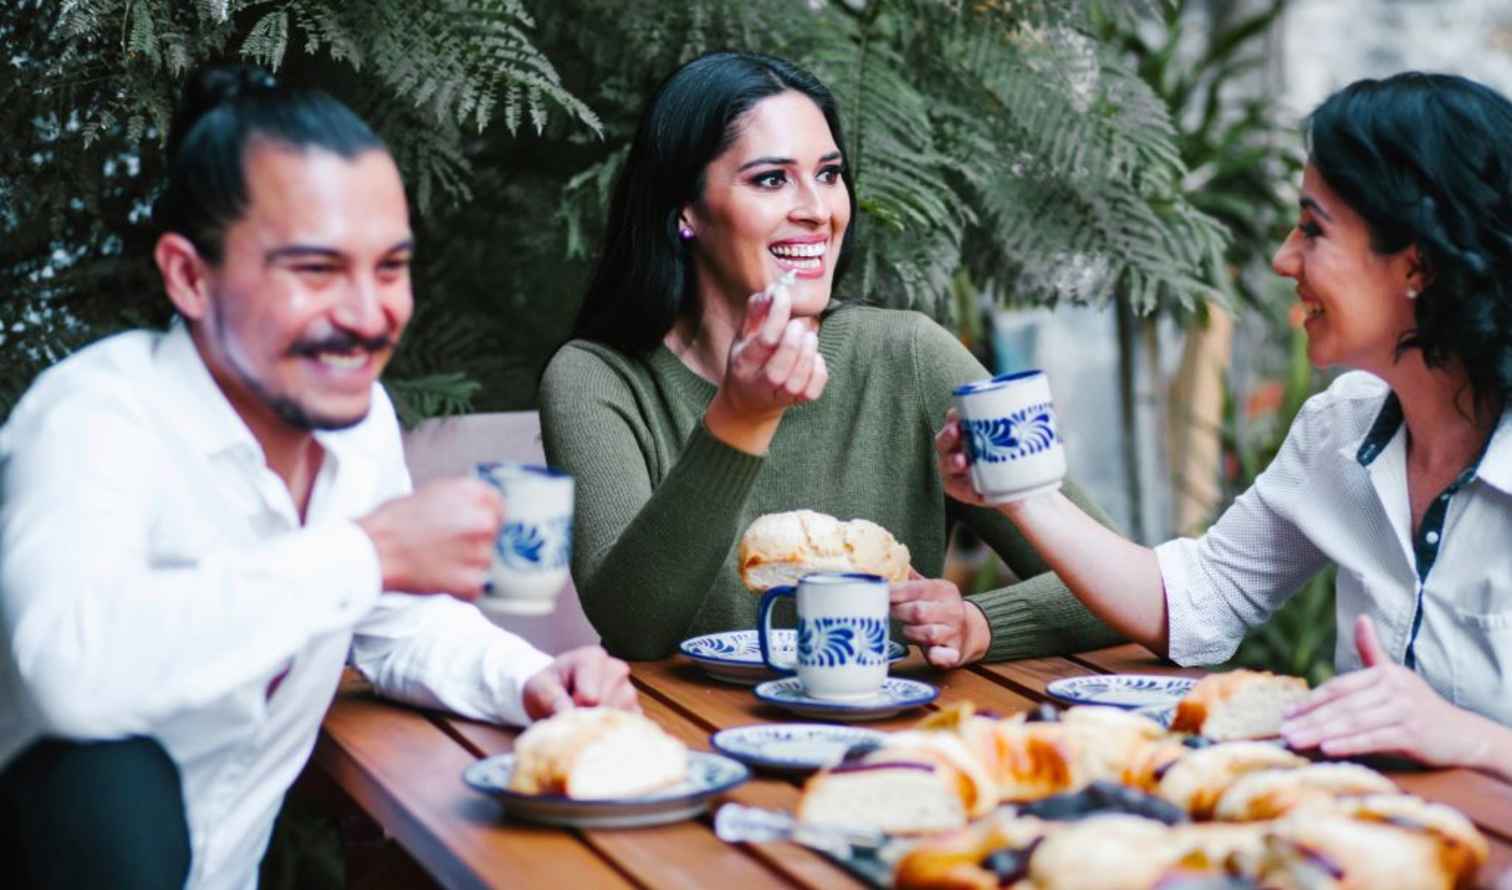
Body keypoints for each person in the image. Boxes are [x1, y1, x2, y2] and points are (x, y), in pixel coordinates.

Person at [0, 65, 637, 889]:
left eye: (390, 268)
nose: (369, 315)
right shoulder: (94, 418)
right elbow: (71, 675)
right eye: (316, 270)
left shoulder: (354, 416)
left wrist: (532, 682)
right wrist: (367, 551)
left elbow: (396, 626)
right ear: (190, 277)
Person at [933, 71, 1512, 778]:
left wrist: (1471, 740)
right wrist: (1021, 496)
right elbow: (1196, 602)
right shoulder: (1339, 430)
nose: (1283, 259)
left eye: (1312, 229)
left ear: (1415, 263)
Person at [538, 51, 1122, 664]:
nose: (818, 210)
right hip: (692, 749)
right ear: (685, 208)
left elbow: (1118, 585)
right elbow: (637, 628)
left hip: (890, 746)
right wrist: (741, 420)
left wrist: (980, 623)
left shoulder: (909, 356)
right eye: (771, 179)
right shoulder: (597, 380)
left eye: (828, 174)